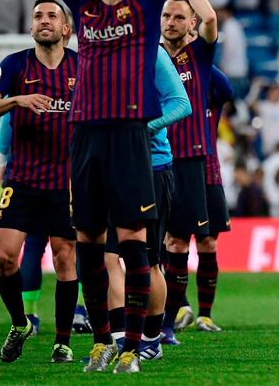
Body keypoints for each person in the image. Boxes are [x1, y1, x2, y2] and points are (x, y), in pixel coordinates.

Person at [26, 0, 182, 373]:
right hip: (85, 139)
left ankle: (134, 348)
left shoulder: (147, 2)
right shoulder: (83, 4)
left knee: (134, 245)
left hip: (129, 138)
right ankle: (100, 341)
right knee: (89, 243)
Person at [0, 0, 78, 364]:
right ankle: (20, 324)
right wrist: (18, 99)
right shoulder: (15, 64)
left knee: (66, 259)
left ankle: (62, 342)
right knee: (5, 257)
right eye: (38, 16)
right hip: (21, 180)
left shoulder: (83, 67)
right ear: (31, 27)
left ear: (66, 28)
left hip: (65, 183)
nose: (44, 20)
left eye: (52, 15)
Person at [102, 39, 192, 361]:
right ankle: (117, 340)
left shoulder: (151, 52)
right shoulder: (97, 51)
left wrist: (142, 129)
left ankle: (151, 341)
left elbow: (182, 104)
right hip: (110, 167)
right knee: (108, 257)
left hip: (151, 167)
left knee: (149, 261)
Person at [159, 0, 219, 345]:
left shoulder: (198, 54)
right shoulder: (151, 54)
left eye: (179, 17)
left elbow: (212, 20)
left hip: (190, 159)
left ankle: (178, 318)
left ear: (190, 23)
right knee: (157, 243)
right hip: (152, 156)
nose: (170, 22)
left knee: (186, 241)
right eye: (166, 16)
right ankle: (164, 315)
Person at [175, 67, 234, 333]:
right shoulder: (167, 77)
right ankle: (179, 306)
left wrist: (199, 56)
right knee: (175, 240)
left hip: (208, 169)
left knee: (208, 241)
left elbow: (228, 90)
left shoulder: (208, 83)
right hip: (174, 165)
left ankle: (205, 315)